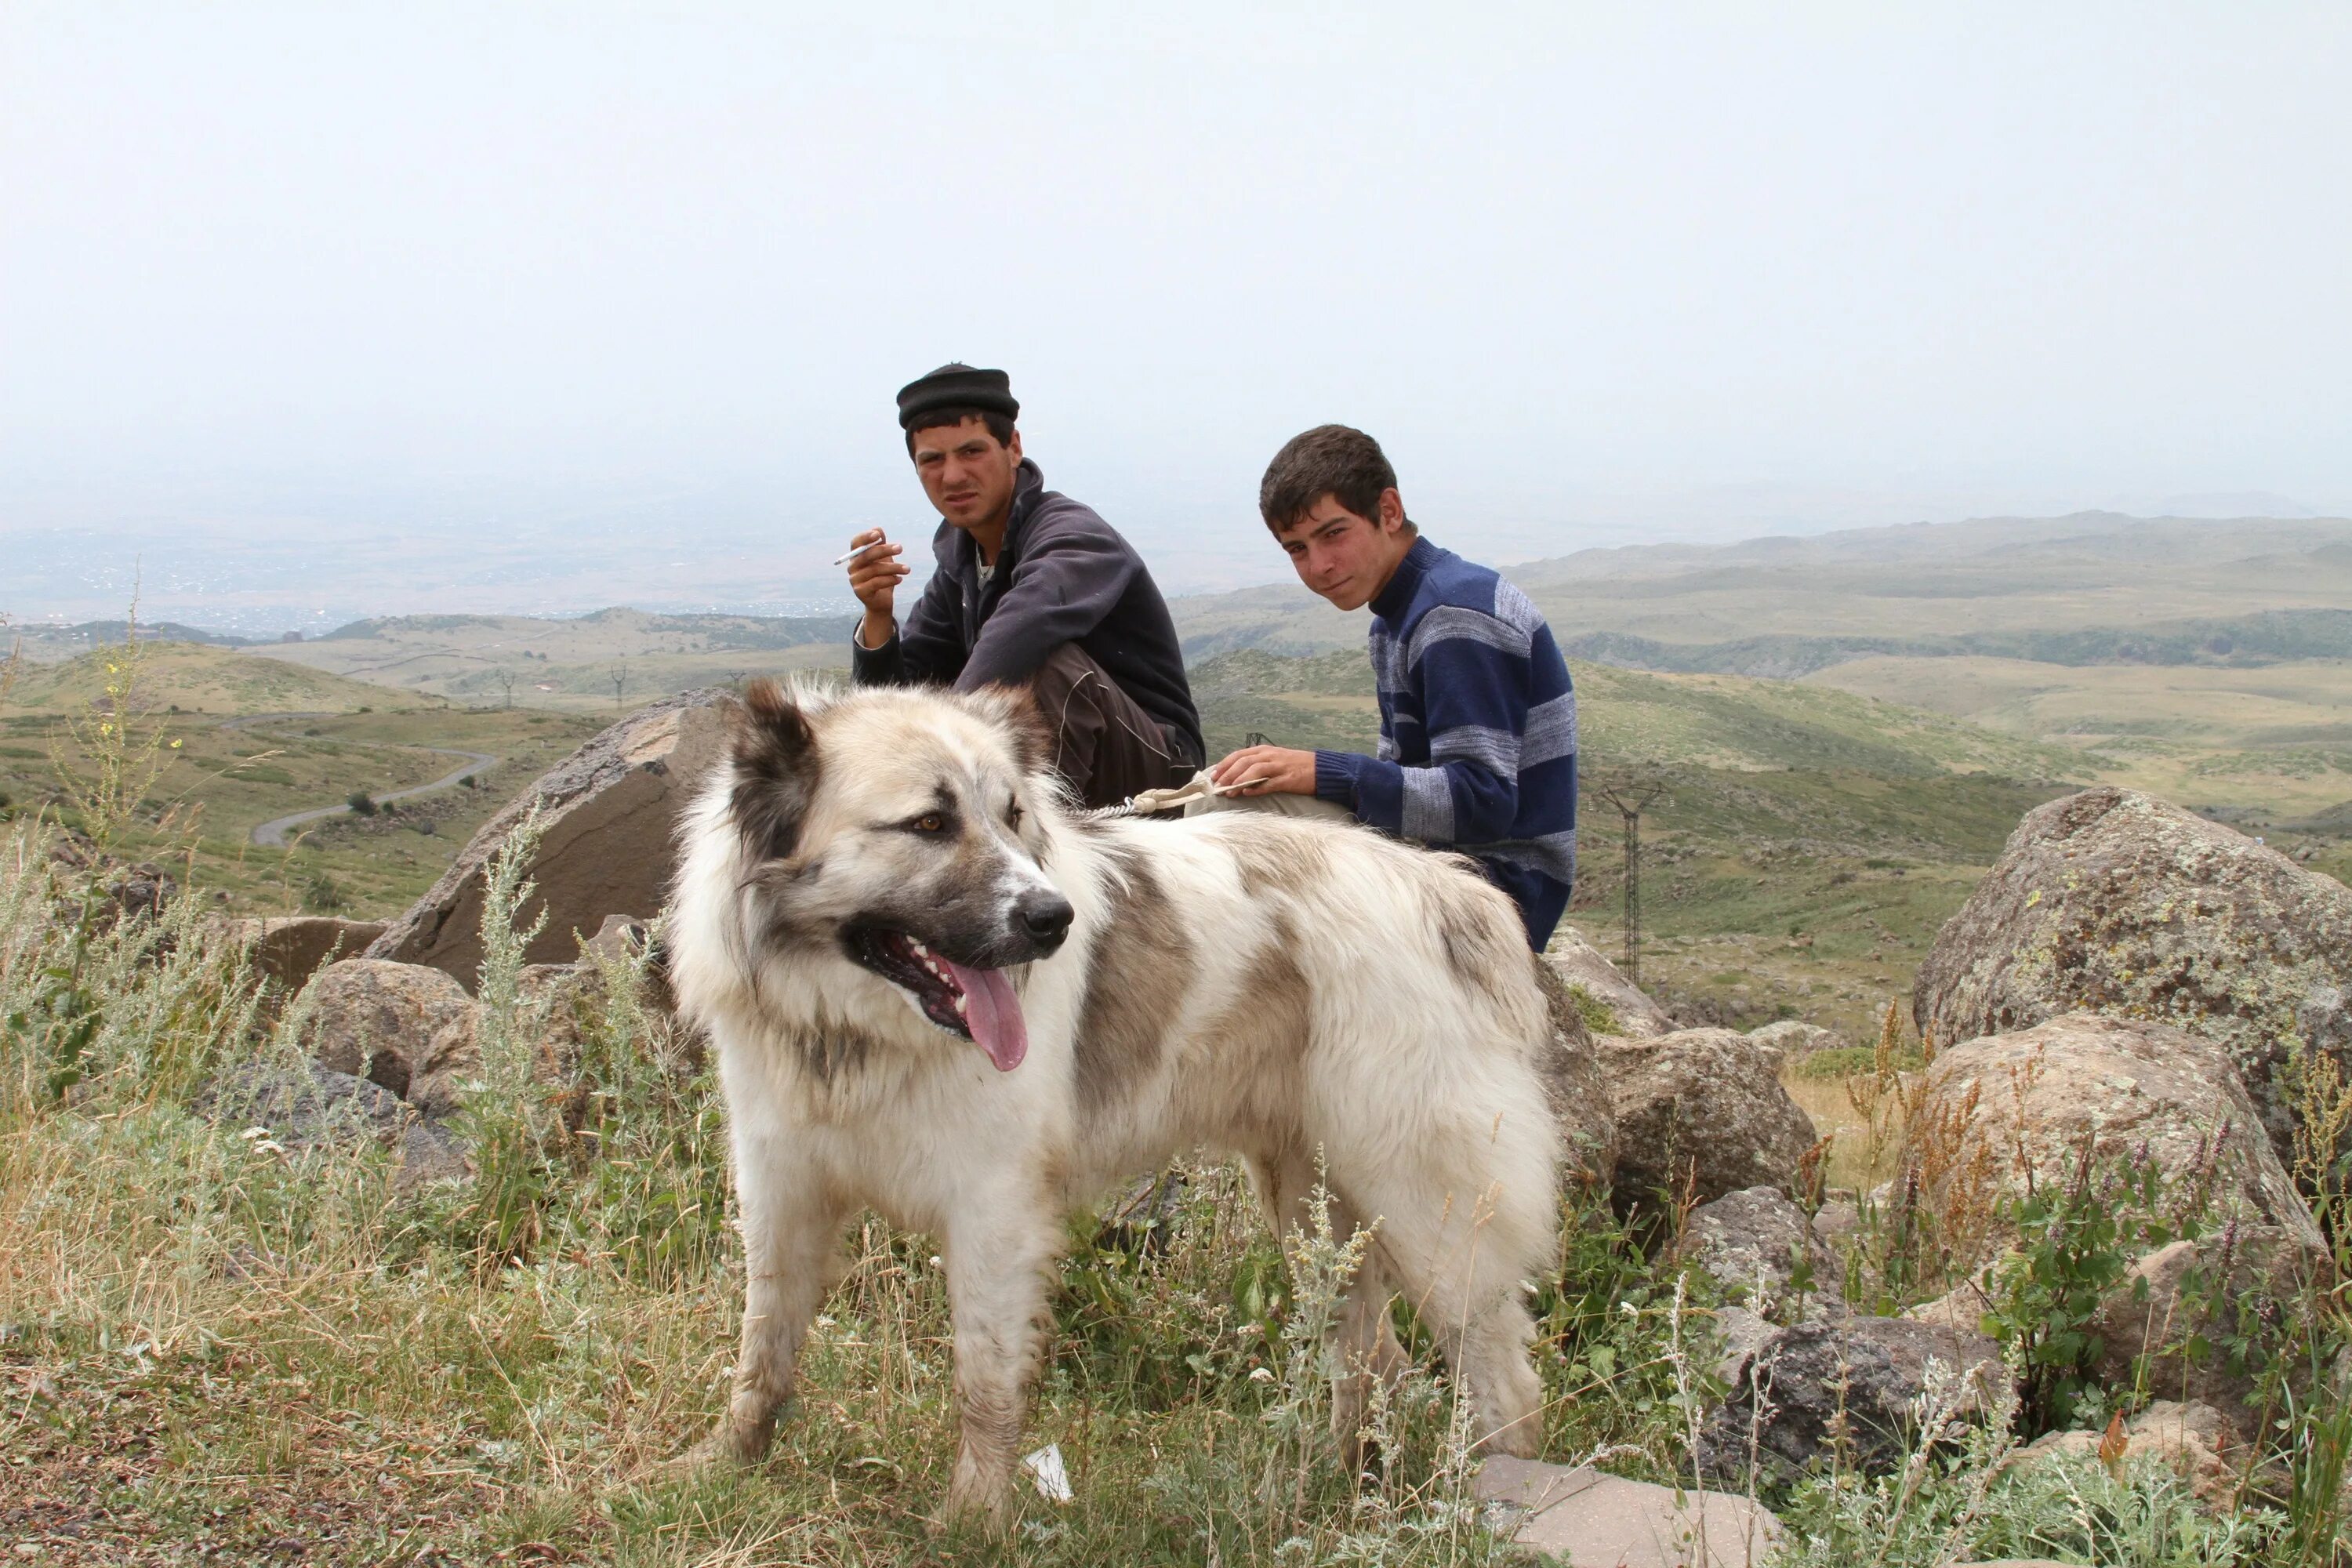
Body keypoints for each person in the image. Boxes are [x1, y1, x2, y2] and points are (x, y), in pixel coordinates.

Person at [1207, 424, 1576, 950]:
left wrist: (1323, 772)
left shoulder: (1453, 613)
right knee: (1229, 790)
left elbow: (1482, 802)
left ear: (1389, 511)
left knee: (1229, 816)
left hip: (1497, 897)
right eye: (1297, 549)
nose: (1319, 567)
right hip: (1448, 870)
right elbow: (1409, 783)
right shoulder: (1397, 617)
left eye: (1334, 534)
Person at [844, 364, 1203, 809]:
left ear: (1013, 448)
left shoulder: (1074, 535)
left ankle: (1030, 849)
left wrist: (945, 744)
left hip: (1160, 771)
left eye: (971, 452)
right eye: (932, 460)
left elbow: (1028, 621)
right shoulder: (959, 565)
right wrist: (878, 617)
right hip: (1070, 761)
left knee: (1047, 663)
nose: (952, 476)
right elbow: (900, 695)